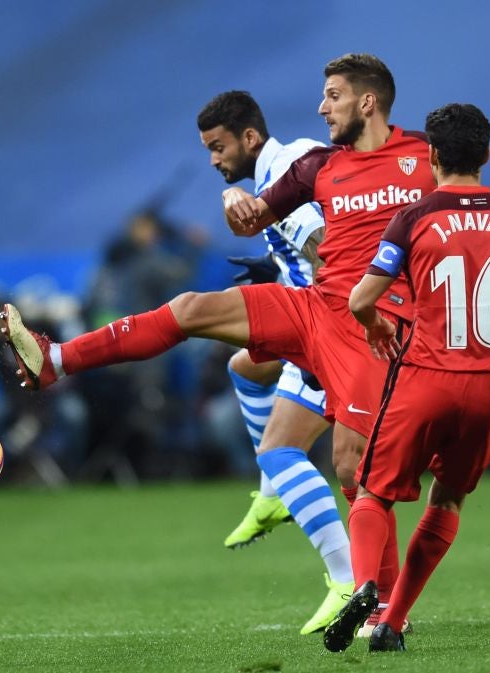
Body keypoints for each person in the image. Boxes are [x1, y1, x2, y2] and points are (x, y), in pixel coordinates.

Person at [0, 54, 490, 634]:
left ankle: (377, 609)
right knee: (190, 310)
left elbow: (481, 208)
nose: (322, 107)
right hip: (312, 308)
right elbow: (255, 216)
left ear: (367, 102)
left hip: (372, 329)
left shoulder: (419, 156)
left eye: (333, 95)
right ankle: (56, 360)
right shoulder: (318, 167)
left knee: (354, 469)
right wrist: (237, 205)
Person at [323, 102, 490, 653]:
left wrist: (375, 324)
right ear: (487, 155)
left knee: (373, 493)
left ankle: (363, 590)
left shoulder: (416, 216)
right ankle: (392, 623)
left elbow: (361, 298)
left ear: (430, 155)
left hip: (426, 378)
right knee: (447, 500)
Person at [197, 90, 349, 634]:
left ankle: (346, 580)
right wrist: (275, 265)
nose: (214, 160)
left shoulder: (286, 170)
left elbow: (329, 249)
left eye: (218, 147)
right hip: (317, 322)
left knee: (286, 452)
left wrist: (328, 334)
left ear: (250, 138)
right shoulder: (274, 176)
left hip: (330, 331)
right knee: (244, 366)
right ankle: (272, 496)